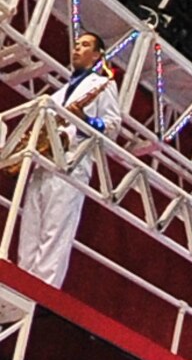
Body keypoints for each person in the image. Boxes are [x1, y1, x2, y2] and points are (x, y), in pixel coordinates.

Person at [17, 31, 122, 290]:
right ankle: (18, 285)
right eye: (76, 45)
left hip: (70, 165)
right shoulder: (60, 92)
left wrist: (86, 121)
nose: (77, 49)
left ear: (97, 55)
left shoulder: (103, 84)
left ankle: (41, 293)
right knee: (30, 230)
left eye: (85, 45)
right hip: (43, 162)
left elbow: (112, 127)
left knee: (55, 232)